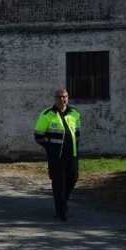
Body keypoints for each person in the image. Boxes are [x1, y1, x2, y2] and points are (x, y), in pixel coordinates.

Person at [34, 88, 81, 222]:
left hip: (72, 154)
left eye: (64, 97)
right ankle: (61, 211)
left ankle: (63, 202)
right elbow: (38, 135)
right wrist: (50, 148)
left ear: (68, 97)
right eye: (60, 97)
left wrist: (75, 149)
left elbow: (77, 134)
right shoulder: (47, 114)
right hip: (56, 156)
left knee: (73, 178)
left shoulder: (75, 113)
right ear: (55, 99)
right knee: (58, 183)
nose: (62, 99)